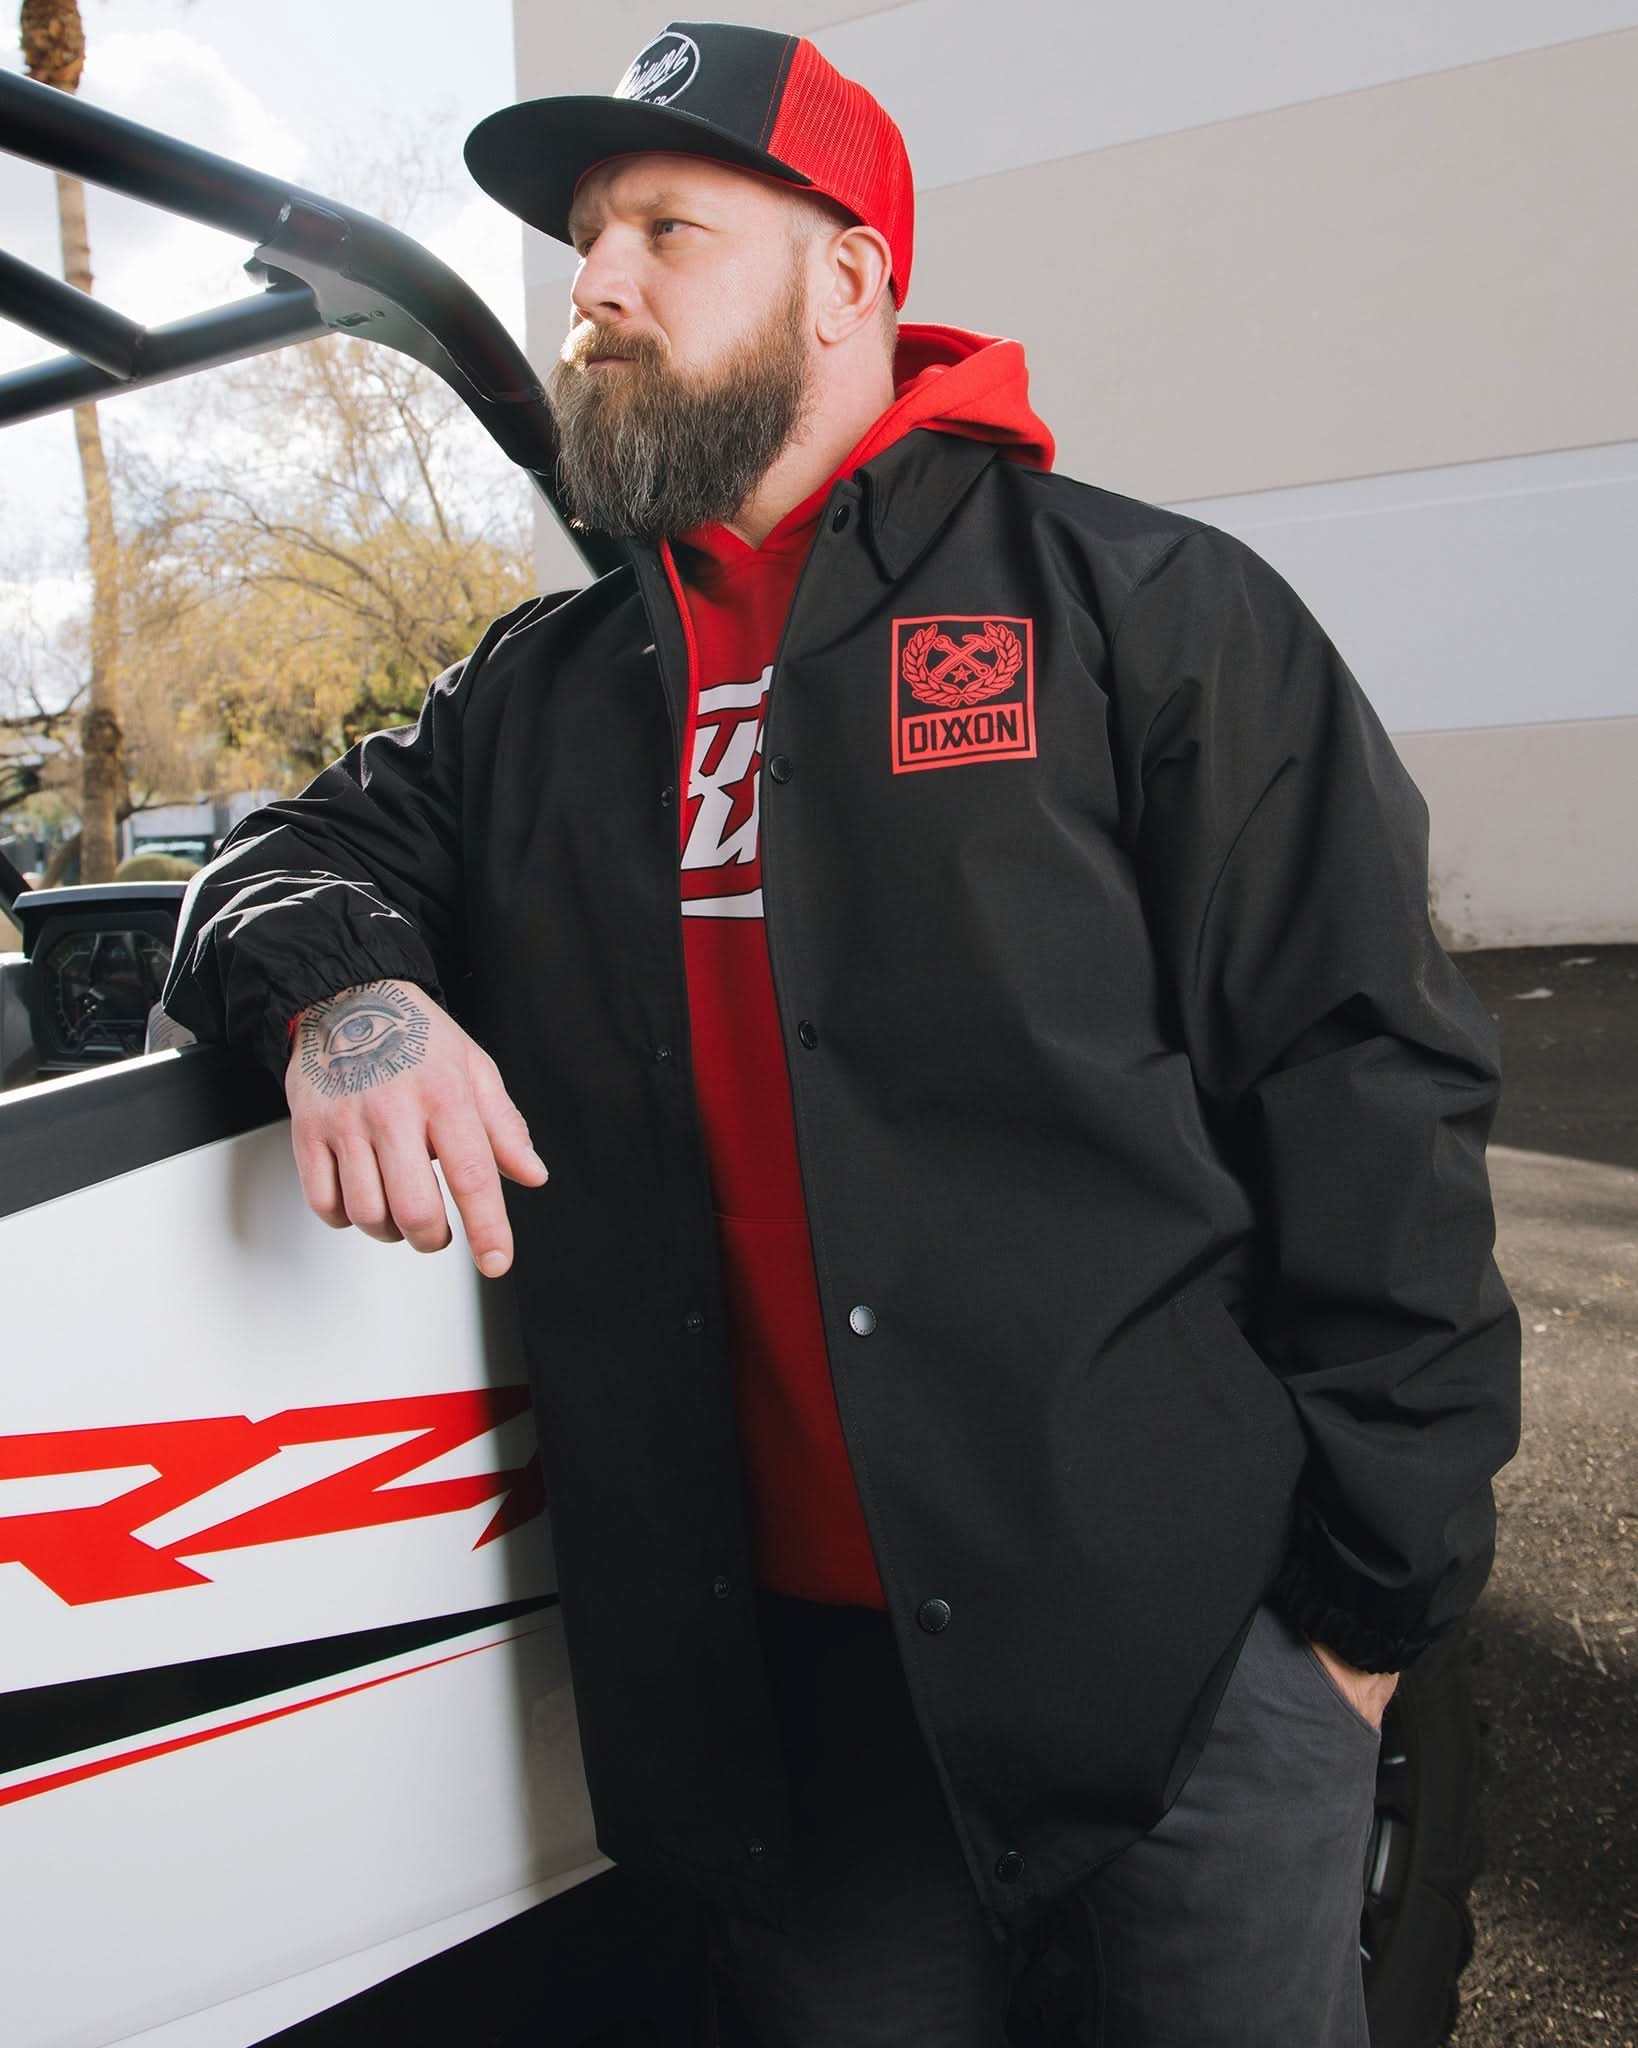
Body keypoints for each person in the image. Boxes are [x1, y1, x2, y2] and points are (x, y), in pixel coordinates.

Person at [160, 20, 1521, 2045]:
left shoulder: (1141, 608)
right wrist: (352, 995)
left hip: (1187, 1663)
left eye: (664, 230)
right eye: (584, 242)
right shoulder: (539, 695)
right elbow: (279, 860)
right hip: (790, 1718)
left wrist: (1365, 1610)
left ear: (849, 279)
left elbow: (1368, 1084)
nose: (593, 287)